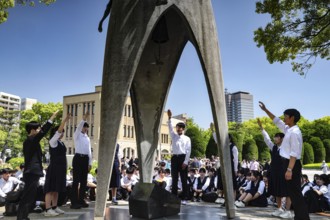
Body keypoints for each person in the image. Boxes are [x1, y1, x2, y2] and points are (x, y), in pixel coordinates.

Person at [259, 101, 310, 219]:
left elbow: (294, 153)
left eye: (286, 116)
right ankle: (300, 217)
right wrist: (266, 110)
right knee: (292, 192)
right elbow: (277, 121)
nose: (284, 118)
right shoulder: (288, 129)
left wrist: (289, 169)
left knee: (295, 193)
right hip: (287, 164)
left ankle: (302, 217)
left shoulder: (295, 133)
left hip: (292, 164)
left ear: (292, 118)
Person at [17, 110, 58, 220]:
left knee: (29, 196)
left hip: (32, 172)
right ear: (32, 130)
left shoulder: (31, 141)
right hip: (31, 172)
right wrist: (52, 117)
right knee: (27, 196)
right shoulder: (31, 140)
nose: (40, 130)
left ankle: (23, 217)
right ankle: (21, 217)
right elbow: (43, 132)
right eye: (38, 128)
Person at [257, 118, 291, 218]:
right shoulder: (274, 147)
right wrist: (261, 128)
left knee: (285, 191)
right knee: (276, 191)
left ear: (282, 139)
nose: (275, 139)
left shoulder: (286, 147)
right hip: (274, 172)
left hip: (283, 171)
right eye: (275, 137)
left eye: (277, 137)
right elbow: (267, 139)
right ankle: (279, 208)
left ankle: (287, 211)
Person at [44, 114, 71, 216]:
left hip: (61, 168)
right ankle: (47, 209)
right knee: (50, 189)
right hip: (54, 167)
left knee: (57, 189)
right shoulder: (53, 141)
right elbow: (58, 131)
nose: (62, 133)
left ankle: (54, 207)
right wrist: (64, 121)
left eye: (63, 132)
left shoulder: (61, 143)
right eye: (61, 132)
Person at [167, 109, 191, 205]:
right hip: (174, 158)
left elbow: (188, 151)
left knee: (184, 179)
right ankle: (173, 197)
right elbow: (169, 128)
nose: (179, 129)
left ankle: (185, 197)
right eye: (178, 127)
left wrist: (185, 162)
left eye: (181, 127)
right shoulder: (174, 136)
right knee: (174, 178)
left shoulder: (187, 138)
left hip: (182, 158)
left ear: (183, 129)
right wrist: (169, 118)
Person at [211, 123, 238, 203]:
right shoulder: (222, 146)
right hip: (223, 166)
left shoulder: (233, 147)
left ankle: (232, 200)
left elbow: (236, 159)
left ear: (229, 139)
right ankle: (225, 200)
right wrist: (213, 131)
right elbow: (217, 140)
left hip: (230, 166)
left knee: (232, 184)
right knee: (223, 183)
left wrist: (235, 169)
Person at [71, 111, 92, 209]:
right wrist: (84, 118)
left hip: (85, 159)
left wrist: (90, 163)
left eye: (87, 127)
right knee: (76, 181)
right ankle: (74, 202)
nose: (86, 129)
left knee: (84, 181)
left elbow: (89, 151)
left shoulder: (87, 138)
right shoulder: (77, 135)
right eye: (85, 127)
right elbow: (78, 127)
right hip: (78, 158)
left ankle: (81, 200)